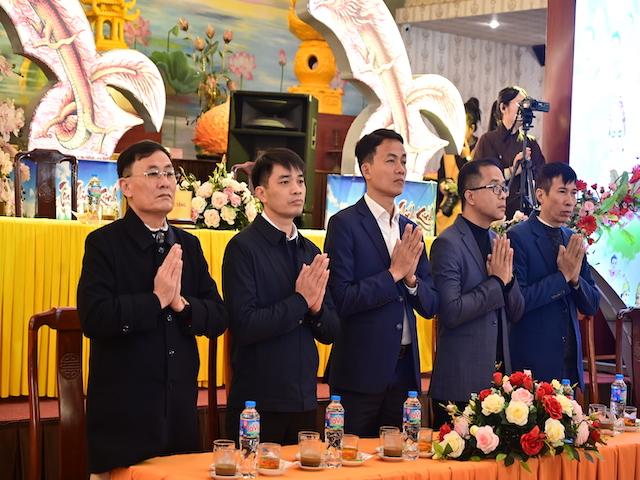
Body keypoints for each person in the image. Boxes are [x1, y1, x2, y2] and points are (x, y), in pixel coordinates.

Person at [77, 140, 229, 479]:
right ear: (126, 187)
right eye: (153, 173)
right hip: (124, 420)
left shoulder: (188, 244)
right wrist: (156, 300)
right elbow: (94, 318)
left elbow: (219, 317)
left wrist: (181, 304)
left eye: (170, 174)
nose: (165, 182)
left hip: (179, 417)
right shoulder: (104, 243)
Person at [324, 128, 439, 437]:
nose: (401, 169)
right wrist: (393, 274)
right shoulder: (344, 224)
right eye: (391, 160)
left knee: (400, 456)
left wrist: (411, 280)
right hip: (360, 371)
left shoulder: (411, 229)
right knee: (350, 457)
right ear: (366, 169)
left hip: (405, 374)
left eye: (403, 161)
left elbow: (431, 305)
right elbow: (340, 299)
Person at [222, 147, 340, 445]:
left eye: (300, 181)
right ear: (260, 192)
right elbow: (244, 325)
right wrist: (300, 301)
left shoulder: (311, 251)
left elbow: (330, 332)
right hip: (258, 403)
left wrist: (316, 309)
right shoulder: (243, 248)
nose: (297, 189)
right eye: (285, 182)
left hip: (304, 399)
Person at [429, 158, 525, 428]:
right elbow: (450, 312)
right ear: (470, 196)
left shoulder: (498, 242)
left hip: (498, 383)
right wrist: (496, 282)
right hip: (460, 383)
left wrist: (507, 282)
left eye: (504, 188)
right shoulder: (447, 243)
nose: (503, 195)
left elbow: (517, 311)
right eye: (495, 187)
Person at [508, 162, 600, 390]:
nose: (570, 201)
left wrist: (575, 280)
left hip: (569, 364)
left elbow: (592, 305)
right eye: (562, 192)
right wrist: (562, 277)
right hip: (533, 364)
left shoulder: (572, 239)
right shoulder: (518, 236)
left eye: (573, 193)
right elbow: (518, 301)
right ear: (541, 195)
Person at [472, 86, 546, 218]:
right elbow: (481, 179)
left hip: (526, 212)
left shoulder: (531, 143)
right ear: (503, 108)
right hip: (496, 213)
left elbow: (542, 178)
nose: (524, 109)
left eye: (526, 105)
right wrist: (512, 170)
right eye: (520, 104)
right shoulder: (488, 140)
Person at [436, 97, 482, 232]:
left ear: (472, 128)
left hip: (472, 215)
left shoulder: (480, 148)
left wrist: (467, 157)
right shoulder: (449, 150)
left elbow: (480, 179)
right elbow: (441, 177)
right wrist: (443, 186)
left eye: (461, 127)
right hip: (448, 213)